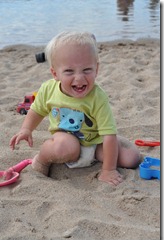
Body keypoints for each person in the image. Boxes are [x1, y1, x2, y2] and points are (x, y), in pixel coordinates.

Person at [10, 31, 140, 186]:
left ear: (96, 69)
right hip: (66, 139)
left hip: (93, 141)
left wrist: (108, 170)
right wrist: (26, 129)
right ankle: (42, 159)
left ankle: (117, 145)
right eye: (69, 71)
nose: (79, 78)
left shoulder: (98, 97)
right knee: (67, 147)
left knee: (131, 159)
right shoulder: (48, 90)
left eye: (86, 70)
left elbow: (108, 134)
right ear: (55, 73)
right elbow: (36, 110)